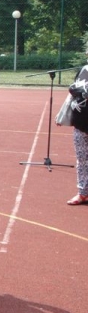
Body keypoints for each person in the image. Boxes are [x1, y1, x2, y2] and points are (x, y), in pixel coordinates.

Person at [66, 48, 88, 205]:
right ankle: (83, 192)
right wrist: (63, 113)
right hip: (80, 123)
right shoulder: (83, 70)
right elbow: (73, 92)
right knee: (81, 160)